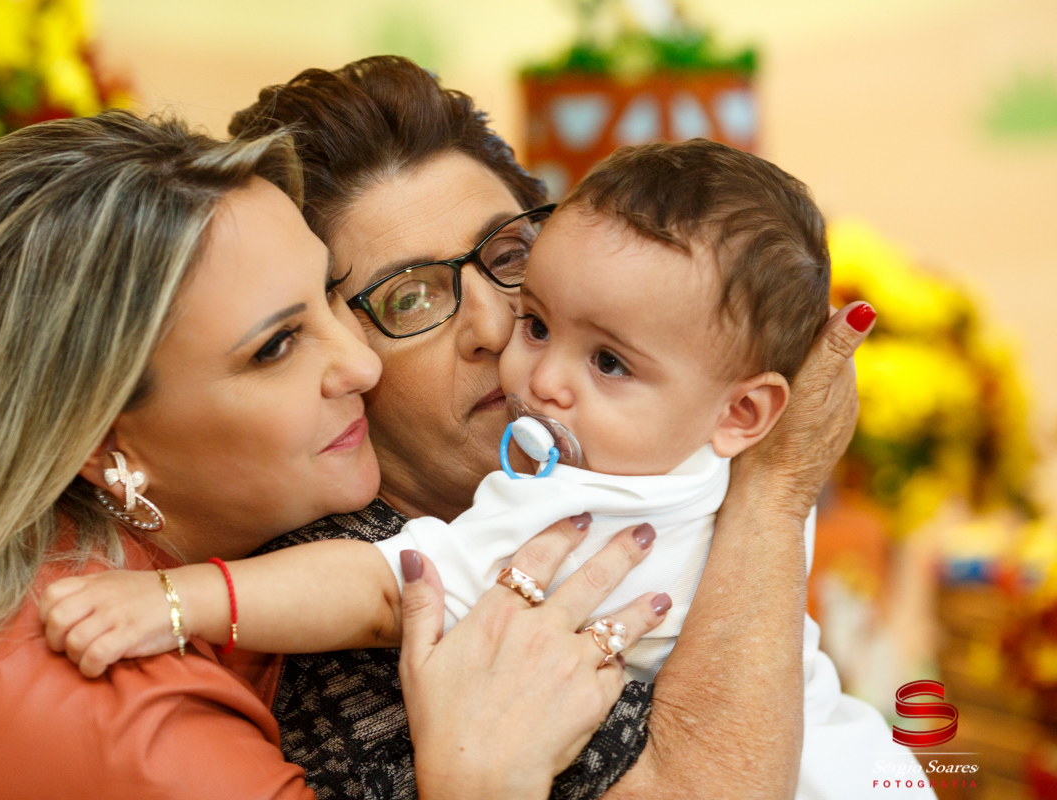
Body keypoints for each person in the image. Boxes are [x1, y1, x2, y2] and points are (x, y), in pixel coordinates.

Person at [41, 139, 930, 799]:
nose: (507, 341)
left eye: (506, 258)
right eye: (411, 296)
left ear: (743, 412)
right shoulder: (673, 478)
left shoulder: (654, 475)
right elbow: (378, 588)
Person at [0, 110, 674, 800]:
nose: (359, 366)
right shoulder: (119, 714)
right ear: (101, 443)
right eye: (277, 347)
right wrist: (481, 782)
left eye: (327, 298)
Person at [211, 56, 882, 800]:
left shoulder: (667, 460)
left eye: (508, 256)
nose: (498, 328)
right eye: (411, 298)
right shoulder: (337, 616)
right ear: (332, 349)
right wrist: (777, 491)